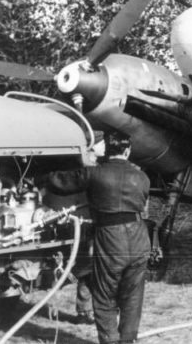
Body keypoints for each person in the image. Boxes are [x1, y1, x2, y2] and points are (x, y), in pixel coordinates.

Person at [44, 130, 150, 344]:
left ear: (106, 151)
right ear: (128, 151)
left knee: (104, 295)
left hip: (111, 237)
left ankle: (110, 341)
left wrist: (42, 172)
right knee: (133, 296)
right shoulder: (142, 176)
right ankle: (128, 340)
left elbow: (60, 183)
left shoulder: (94, 173)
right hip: (139, 236)